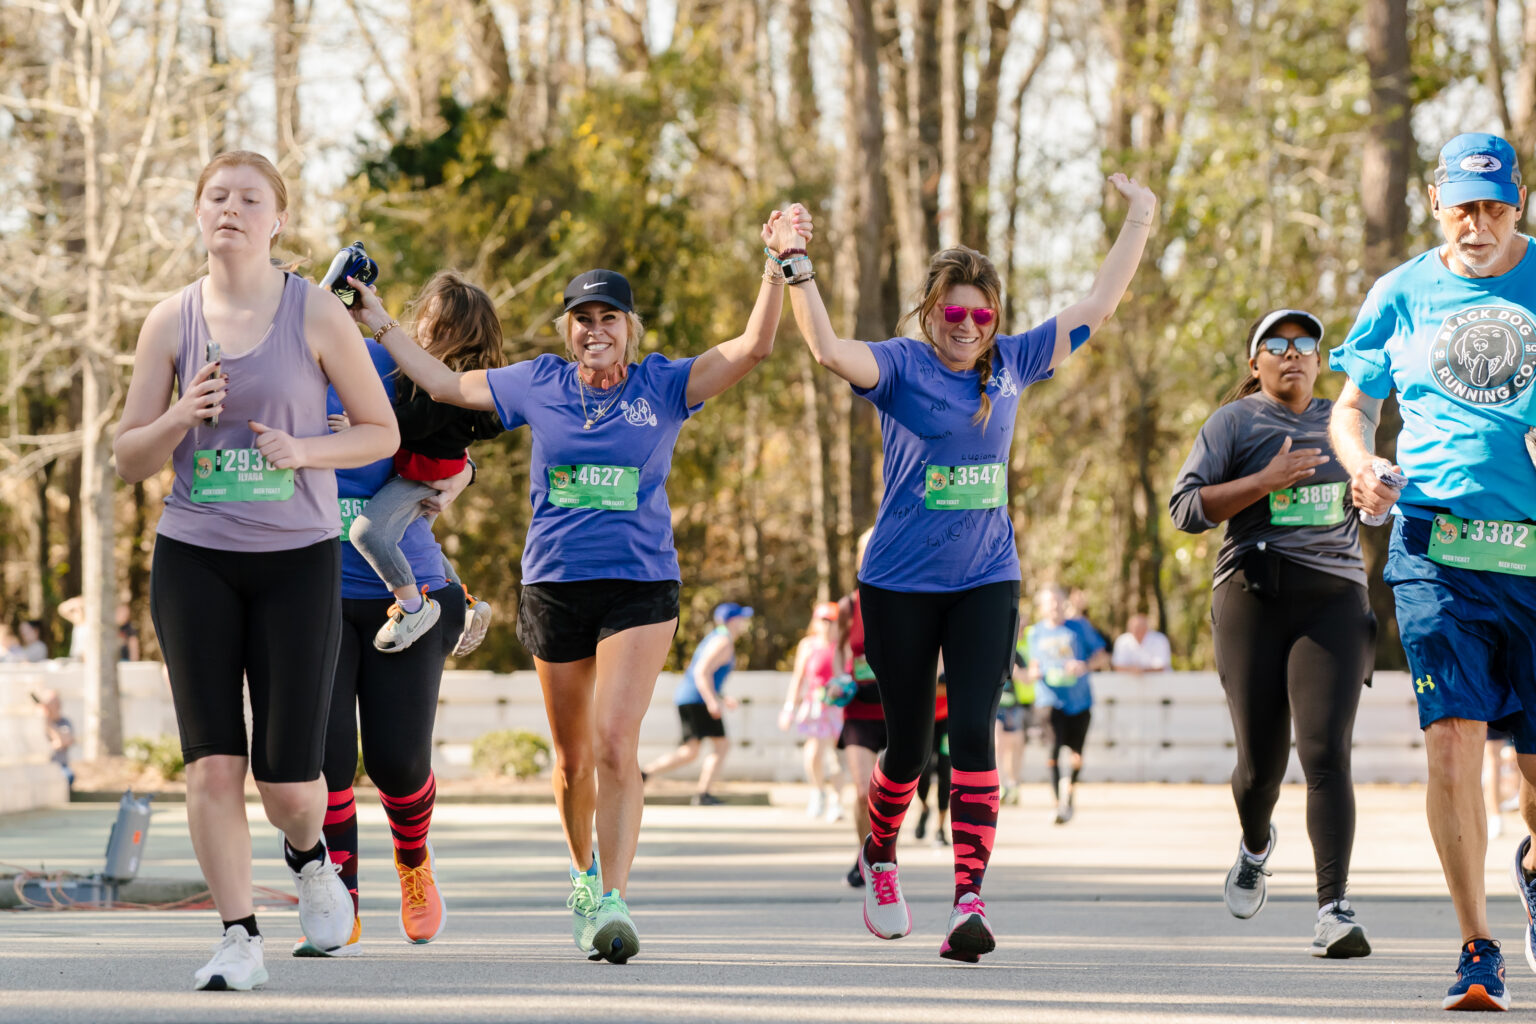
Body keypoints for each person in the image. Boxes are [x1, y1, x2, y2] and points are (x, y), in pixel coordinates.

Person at [346, 209, 799, 965]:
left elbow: (753, 347)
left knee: (616, 744)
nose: (595, 329)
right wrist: (381, 320)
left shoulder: (666, 385)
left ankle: (615, 901)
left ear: (631, 327)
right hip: (553, 585)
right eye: (582, 318)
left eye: (608, 317)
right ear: (566, 330)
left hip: (641, 585)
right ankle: (583, 876)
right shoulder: (539, 384)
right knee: (570, 761)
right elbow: (442, 381)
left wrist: (777, 264)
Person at [783, 174, 1156, 963]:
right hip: (897, 584)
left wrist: (1140, 220)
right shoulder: (899, 366)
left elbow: (1098, 307)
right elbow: (823, 348)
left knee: (976, 730)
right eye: (954, 312)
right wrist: (796, 267)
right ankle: (881, 854)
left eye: (982, 314)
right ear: (931, 313)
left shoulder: (1016, 362)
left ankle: (968, 900)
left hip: (988, 577)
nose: (968, 325)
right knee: (911, 749)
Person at [113, 151, 397, 990]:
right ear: (198, 216)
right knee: (210, 763)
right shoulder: (169, 320)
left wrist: (304, 449)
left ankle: (310, 858)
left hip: (296, 559)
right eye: (217, 197)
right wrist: (177, 415)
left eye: (250, 198)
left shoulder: (313, 313)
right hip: (194, 553)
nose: (231, 209)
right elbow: (129, 457)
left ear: (278, 220)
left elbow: (379, 432)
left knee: (288, 783)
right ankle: (238, 936)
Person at [1329, 132, 1536, 1009]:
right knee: (1451, 741)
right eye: (1464, 209)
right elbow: (1353, 405)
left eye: (1496, 207)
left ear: (1519, 203)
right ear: (1437, 204)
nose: (1479, 225)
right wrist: (1360, 464)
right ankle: (1476, 945)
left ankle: (1529, 860)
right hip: (1434, 545)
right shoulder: (1401, 291)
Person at [1171, 307, 1376, 960]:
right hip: (1252, 599)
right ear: (1253, 362)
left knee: (1325, 753)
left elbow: (1378, 499)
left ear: (1321, 361)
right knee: (1261, 766)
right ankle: (1255, 844)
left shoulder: (1348, 424)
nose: (1293, 354)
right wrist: (1262, 483)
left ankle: (1332, 909)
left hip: (1334, 604)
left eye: (1305, 344)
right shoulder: (1233, 423)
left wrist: (1375, 496)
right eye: (1276, 344)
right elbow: (1185, 510)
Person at [291, 280, 486, 958]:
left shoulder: (395, 370)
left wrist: (465, 473)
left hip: (409, 588)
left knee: (399, 762)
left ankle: (413, 861)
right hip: (312, 589)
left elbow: (455, 430)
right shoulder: (289, 361)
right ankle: (337, 891)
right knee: (327, 760)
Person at [345, 270, 504, 654]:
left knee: (367, 533)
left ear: (464, 333)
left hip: (423, 476)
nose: (429, 331)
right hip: (429, 471)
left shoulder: (450, 385)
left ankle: (412, 606)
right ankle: (465, 601)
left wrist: (360, 424)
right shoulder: (429, 367)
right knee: (415, 539)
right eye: (429, 320)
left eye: (443, 327)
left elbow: (411, 425)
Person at [641, 603, 752, 805]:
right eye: (741, 619)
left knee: (690, 751)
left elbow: (707, 675)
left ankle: (645, 774)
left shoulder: (716, 638)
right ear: (732, 621)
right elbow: (701, 672)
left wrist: (721, 697)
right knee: (721, 745)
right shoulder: (722, 642)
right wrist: (712, 702)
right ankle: (703, 794)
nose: (744, 623)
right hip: (698, 700)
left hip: (689, 697)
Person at [1024, 585, 1108, 826]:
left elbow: (1103, 655)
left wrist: (1084, 665)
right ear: (1041, 607)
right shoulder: (1034, 634)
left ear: (1065, 603)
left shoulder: (1079, 626)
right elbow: (1031, 667)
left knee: (1075, 754)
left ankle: (1069, 794)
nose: (1055, 607)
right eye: (1050, 603)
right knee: (1052, 749)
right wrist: (1034, 671)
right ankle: (1056, 804)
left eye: (1059, 602)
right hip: (1048, 699)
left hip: (1079, 700)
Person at [837, 529, 885, 889]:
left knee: (888, 794)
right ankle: (864, 854)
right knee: (860, 791)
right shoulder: (848, 606)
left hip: (896, 708)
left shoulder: (904, 600)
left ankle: (885, 856)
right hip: (857, 710)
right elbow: (839, 648)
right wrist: (839, 678)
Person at [778, 601, 848, 821]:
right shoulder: (808, 646)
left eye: (832, 621)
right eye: (824, 620)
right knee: (813, 753)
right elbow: (798, 678)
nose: (828, 625)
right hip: (815, 707)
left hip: (838, 707)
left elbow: (849, 676)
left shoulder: (843, 646)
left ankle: (837, 801)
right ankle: (818, 792)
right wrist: (789, 708)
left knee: (838, 756)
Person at [996, 624, 1035, 806]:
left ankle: (1013, 784)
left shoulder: (1016, 653)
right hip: (995, 706)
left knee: (1015, 746)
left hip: (1014, 706)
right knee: (998, 744)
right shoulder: (992, 646)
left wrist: (1016, 672)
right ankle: (1001, 784)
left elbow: (1027, 677)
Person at [913, 673, 951, 847]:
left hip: (947, 722)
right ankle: (924, 808)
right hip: (924, 720)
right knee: (923, 771)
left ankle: (940, 829)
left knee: (945, 772)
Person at [35, 690, 74, 789]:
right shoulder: (38, 722)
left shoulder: (65, 722)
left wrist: (50, 725)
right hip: (42, 767)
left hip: (60, 766)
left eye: (56, 703)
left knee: (68, 776)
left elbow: (64, 741)